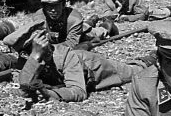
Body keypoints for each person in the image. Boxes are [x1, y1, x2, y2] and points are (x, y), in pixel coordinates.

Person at [17, 29, 156, 102]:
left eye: (46, 44)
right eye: (39, 47)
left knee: (136, 70)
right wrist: (35, 57)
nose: (46, 50)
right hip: (83, 67)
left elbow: (79, 92)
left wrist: (50, 94)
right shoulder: (31, 60)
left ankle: (153, 57)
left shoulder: (65, 56)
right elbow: (24, 89)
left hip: (101, 69)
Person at [3, 0, 87, 52]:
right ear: (44, 7)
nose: (53, 10)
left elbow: (72, 43)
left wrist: (50, 48)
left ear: (64, 5)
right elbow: (36, 38)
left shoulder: (74, 19)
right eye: (49, 6)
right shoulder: (39, 17)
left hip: (80, 36)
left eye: (56, 6)